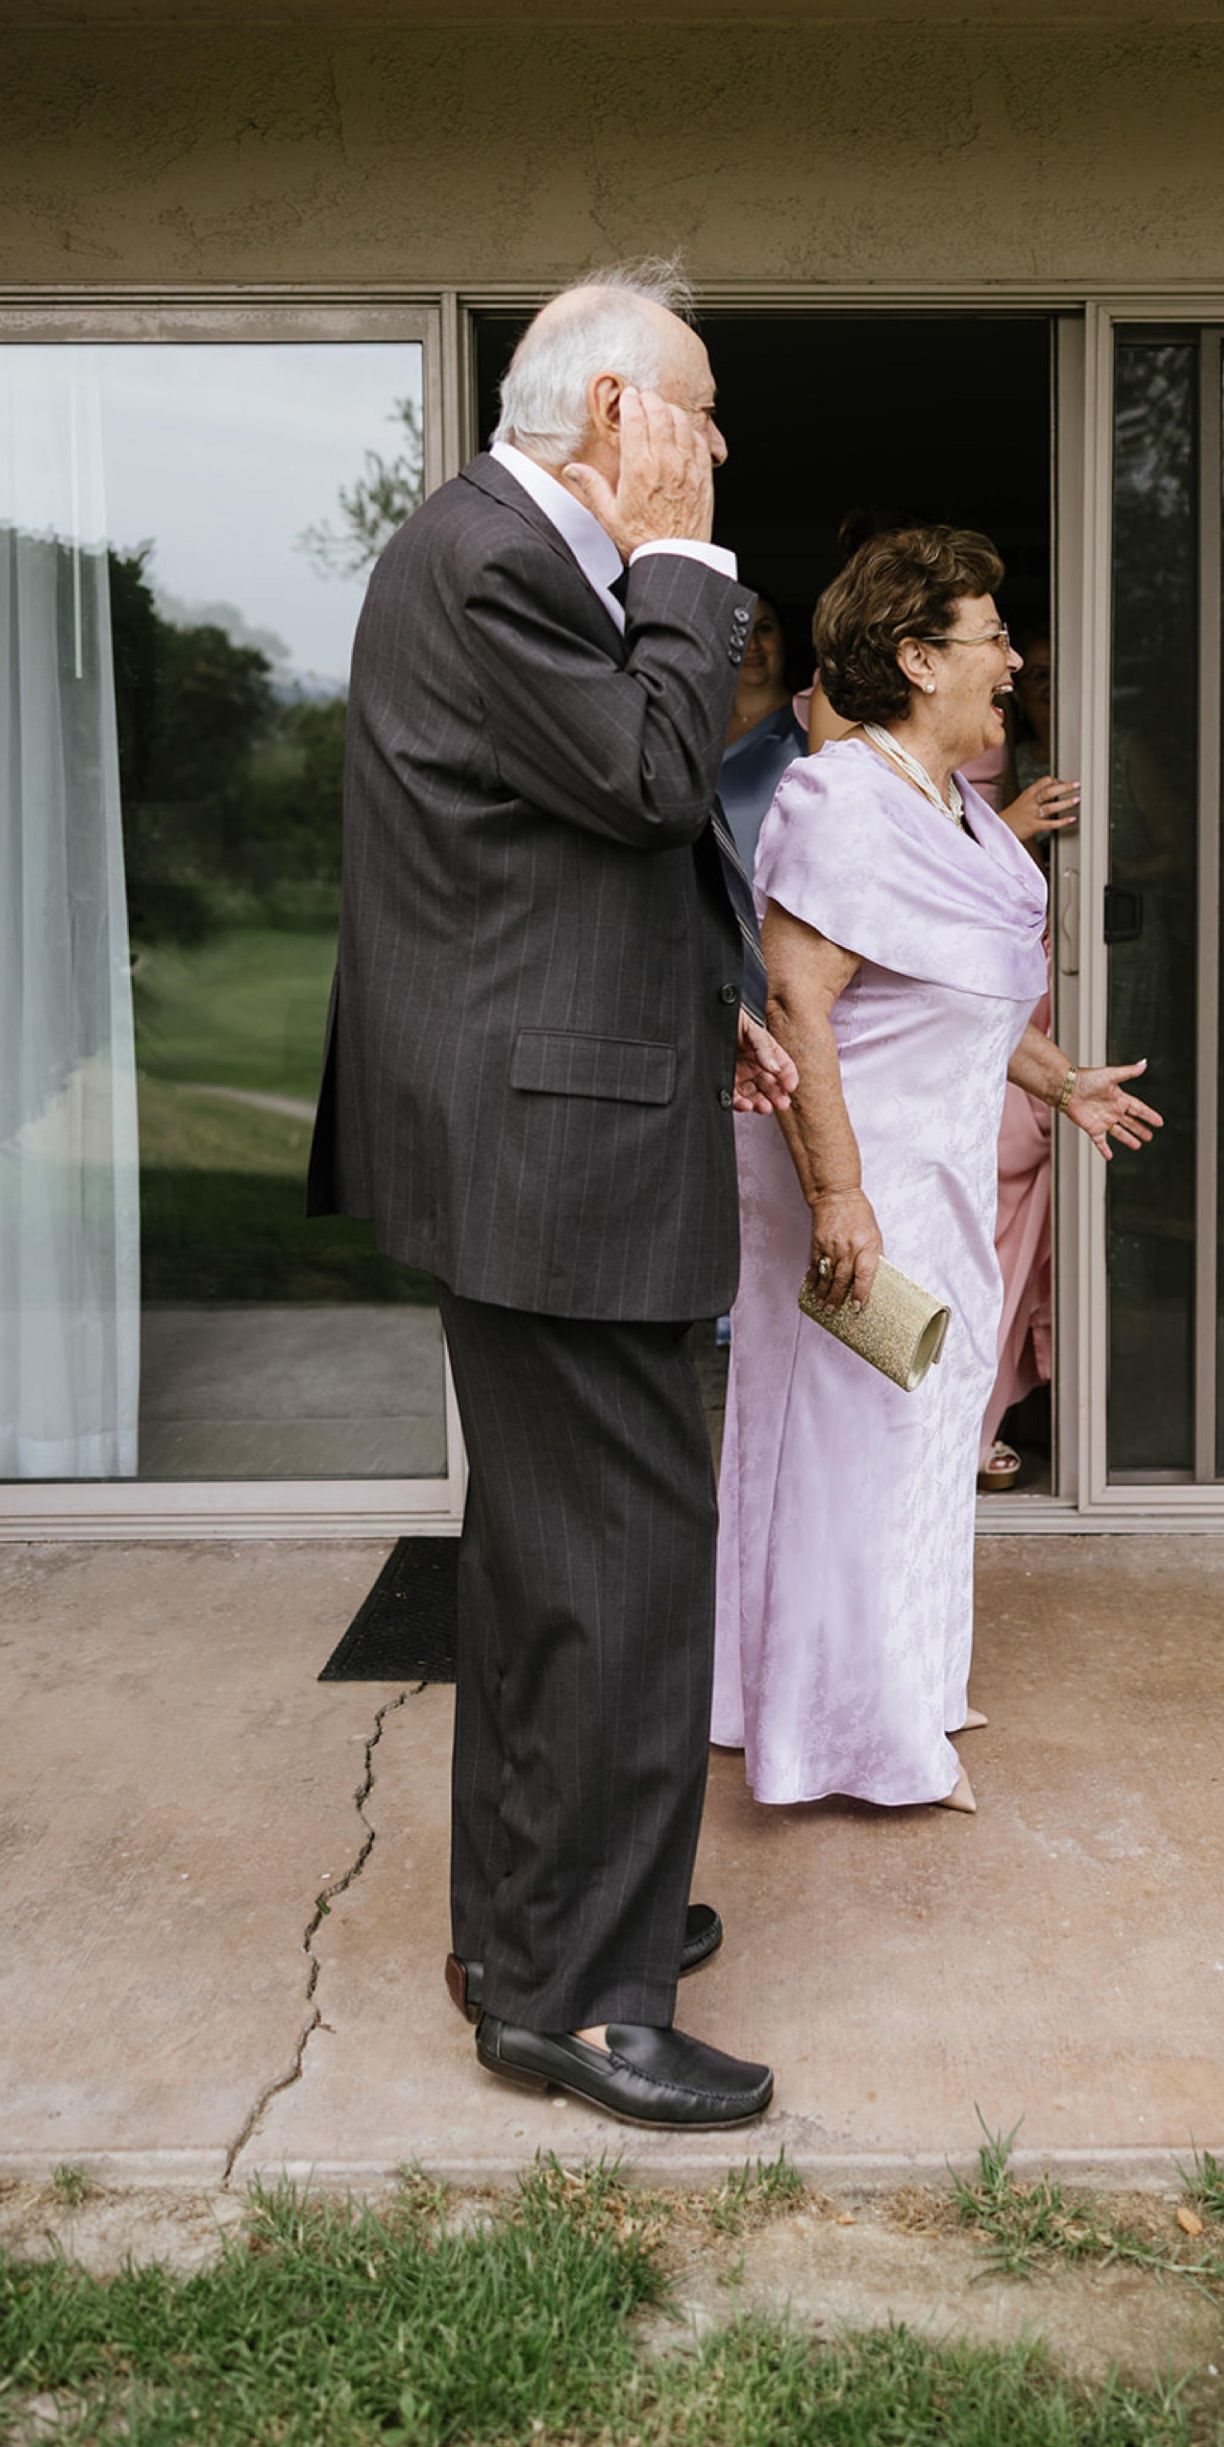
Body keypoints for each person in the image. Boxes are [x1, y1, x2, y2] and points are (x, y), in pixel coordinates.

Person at [308, 262, 795, 2130]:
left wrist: (714, 1004)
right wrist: (688, 566)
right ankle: (580, 2008)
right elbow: (663, 774)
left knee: (542, 1574)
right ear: (615, 416)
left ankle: (532, 1933)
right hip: (554, 1160)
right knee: (620, 1577)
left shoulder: (489, 557)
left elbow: (562, 854)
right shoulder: (505, 558)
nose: (714, 444)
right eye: (700, 407)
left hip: (548, 1124)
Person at [712, 527, 1160, 1812]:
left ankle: (883, 1695)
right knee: (861, 1459)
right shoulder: (837, 801)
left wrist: (1057, 1080)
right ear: (915, 659)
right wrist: (840, 1198)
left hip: (942, 1178)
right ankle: (851, 1741)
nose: (1013, 663)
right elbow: (800, 1000)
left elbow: (951, 1002)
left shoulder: (960, 813)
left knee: (916, 1455)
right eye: (991, 640)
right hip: (859, 1189)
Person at [964, 668, 1079, 1490]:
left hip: (1030, 980)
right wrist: (1010, 828)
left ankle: (983, 1415)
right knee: (994, 1206)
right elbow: (919, 878)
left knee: (1017, 1211)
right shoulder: (883, 771)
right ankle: (961, 1424)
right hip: (974, 982)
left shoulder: (1026, 746)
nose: (1014, 675)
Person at [718, 591, 805, 880]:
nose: (752, 644)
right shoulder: (695, 728)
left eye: (765, 628)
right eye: (739, 628)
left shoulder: (807, 727)